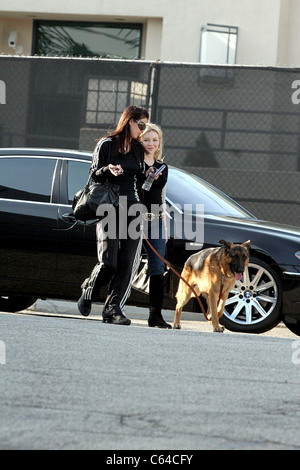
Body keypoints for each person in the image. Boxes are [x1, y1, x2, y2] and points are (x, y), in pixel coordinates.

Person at [78, 105, 153, 325]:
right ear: (129, 121)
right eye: (140, 124)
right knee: (109, 262)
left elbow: (138, 181)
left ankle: (113, 309)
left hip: (133, 207)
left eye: (145, 125)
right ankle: (88, 289)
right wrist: (108, 169)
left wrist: (149, 176)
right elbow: (94, 175)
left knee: (128, 262)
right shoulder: (106, 144)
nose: (142, 129)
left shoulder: (139, 149)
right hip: (109, 206)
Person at [140, 123, 171, 329]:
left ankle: (155, 315)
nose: (151, 143)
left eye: (154, 140)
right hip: (135, 219)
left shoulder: (162, 166)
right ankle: (115, 306)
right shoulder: (134, 164)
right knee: (128, 264)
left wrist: (166, 226)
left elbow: (162, 196)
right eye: (146, 139)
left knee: (157, 268)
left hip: (157, 220)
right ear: (139, 141)